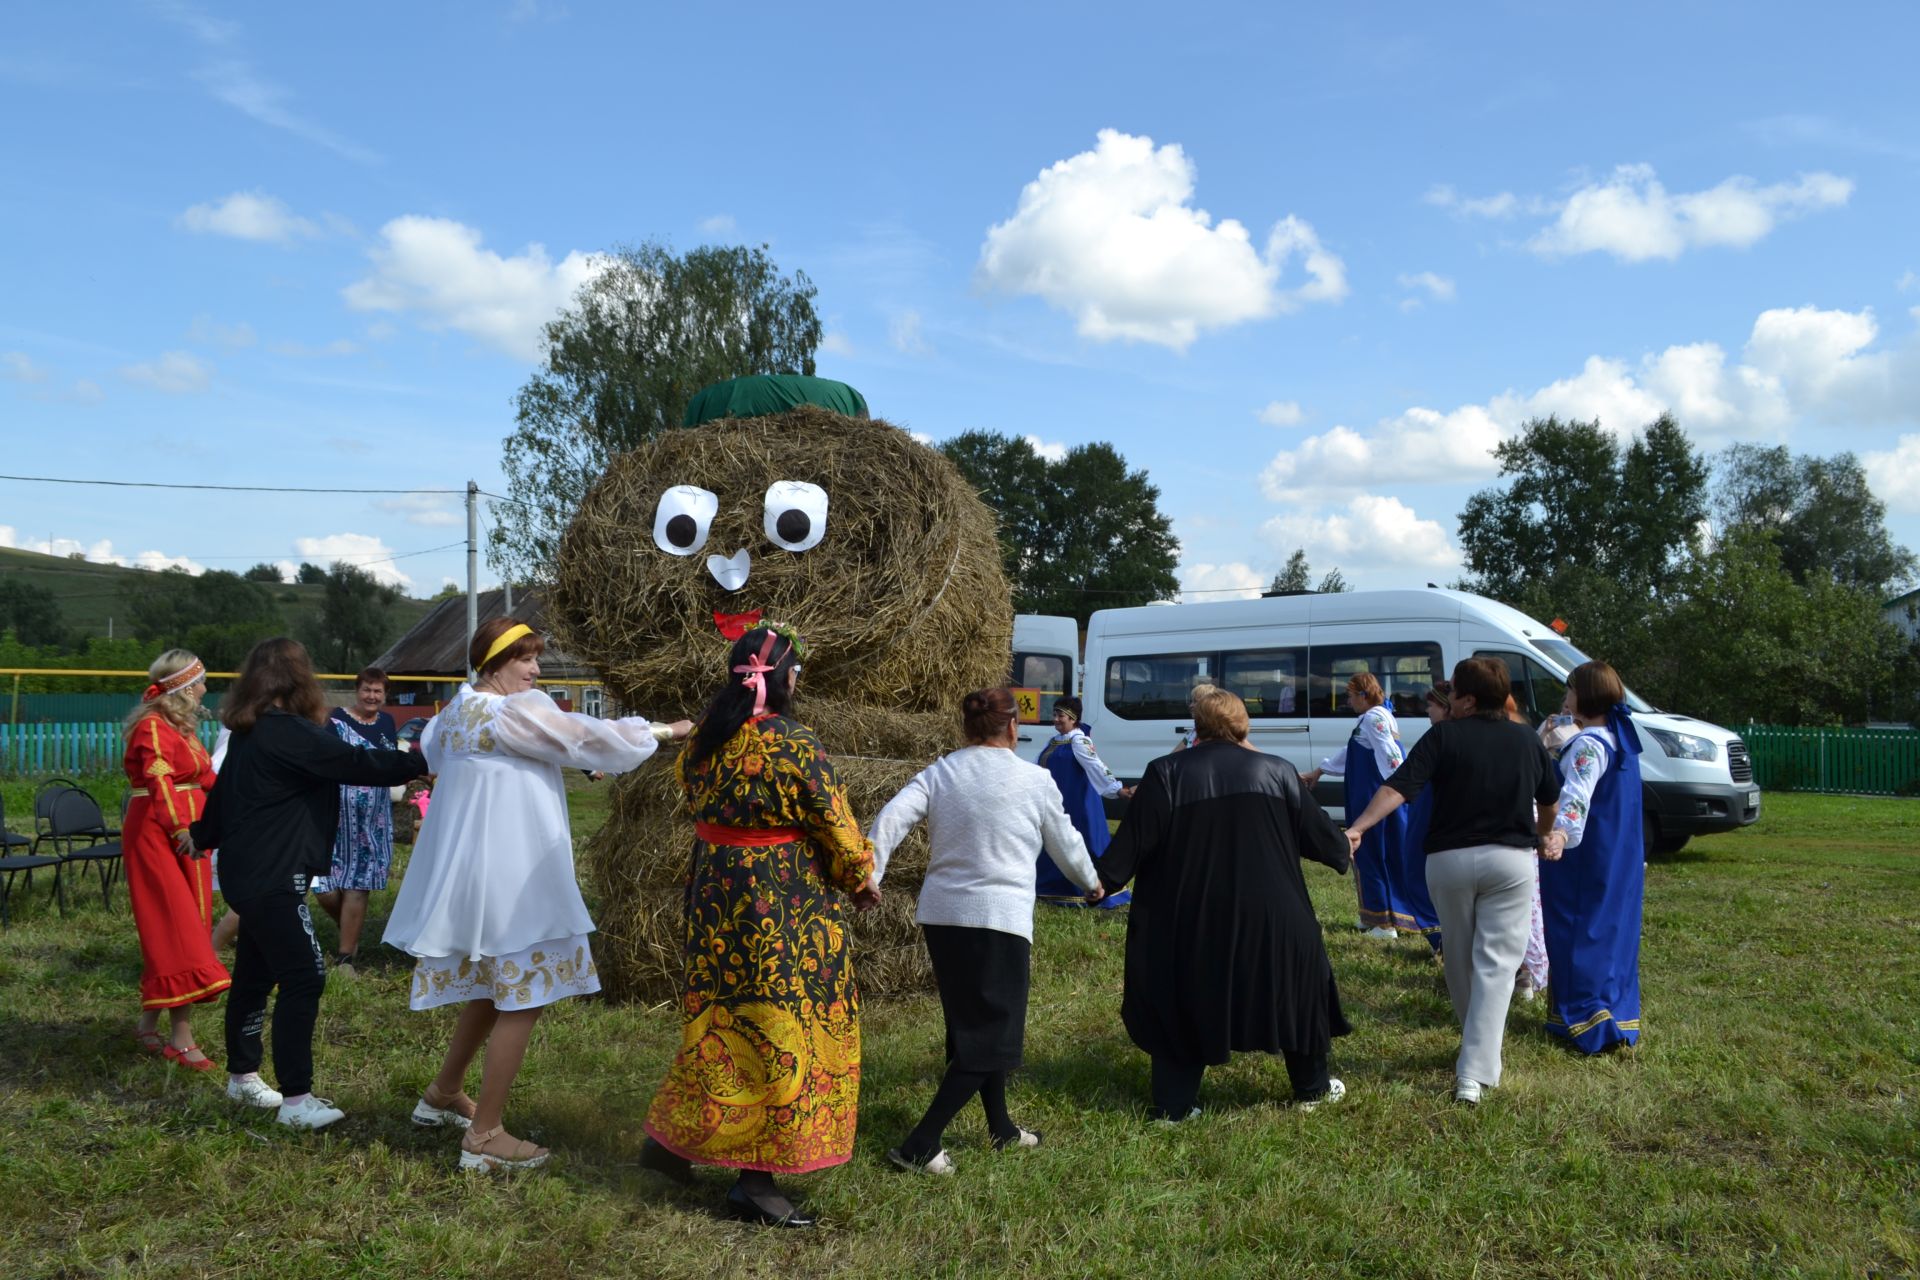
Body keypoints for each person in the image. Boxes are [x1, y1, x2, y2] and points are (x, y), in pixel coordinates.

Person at [383, 618, 688, 1171]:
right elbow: (585, 738)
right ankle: (484, 1135)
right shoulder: (510, 713)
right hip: (513, 876)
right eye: (527, 659)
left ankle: (443, 1094)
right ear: (497, 660)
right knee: (524, 997)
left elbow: (442, 763)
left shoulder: (451, 715)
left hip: (476, 874)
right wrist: (663, 731)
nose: (537, 669)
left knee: (488, 988)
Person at [640, 625, 878, 1228]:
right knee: (778, 1023)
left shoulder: (704, 740)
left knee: (716, 1015)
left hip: (716, 892)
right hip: (781, 905)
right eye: (796, 672)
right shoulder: (796, 745)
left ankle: (668, 1146)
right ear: (785, 677)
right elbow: (833, 818)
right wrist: (860, 875)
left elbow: (691, 795)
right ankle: (754, 1181)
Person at [189, 638, 427, 1129]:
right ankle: (297, 1102)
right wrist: (419, 762)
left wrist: (200, 837)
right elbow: (357, 764)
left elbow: (221, 803)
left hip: (246, 873)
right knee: (305, 974)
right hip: (273, 878)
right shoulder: (290, 732)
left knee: (256, 973)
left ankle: (242, 1077)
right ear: (302, 680)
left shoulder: (253, 732)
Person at [867, 688, 1104, 1174]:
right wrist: (1092, 882)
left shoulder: (941, 771)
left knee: (969, 1026)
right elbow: (1065, 841)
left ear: (967, 728)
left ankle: (1001, 1129)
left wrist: (869, 874)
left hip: (942, 916)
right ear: (1014, 726)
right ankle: (920, 1144)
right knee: (993, 1035)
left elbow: (890, 819)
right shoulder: (1033, 779)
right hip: (999, 918)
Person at [1098, 687, 1352, 1120]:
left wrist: (1101, 881)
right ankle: (1311, 1089)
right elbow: (1326, 843)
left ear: (1196, 726)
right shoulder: (1278, 770)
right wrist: (1343, 845)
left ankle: (1174, 1107)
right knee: (1296, 985)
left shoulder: (1165, 772)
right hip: (1276, 916)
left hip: (1189, 918)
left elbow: (1130, 849)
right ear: (1243, 725)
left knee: (1182, 991)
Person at [1343, 658, 1561, 1106]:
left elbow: (1398, 786)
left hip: (1448, 861)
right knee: (1498, 964)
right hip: (1510, 862)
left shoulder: (1444, 735)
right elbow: (1551, 798)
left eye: (1454, 692)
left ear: (1466, 698)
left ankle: (1472, 1059)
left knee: (1459, 958)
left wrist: (1359, 826)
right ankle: (1474, 1068)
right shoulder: (1525, 738)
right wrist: (1543, 835)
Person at [121, 649, 230, 1071]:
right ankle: (180, 1037)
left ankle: (149, 1023)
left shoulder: (180, 727)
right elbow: (159, 782)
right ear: (185, 686)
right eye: (201, 681)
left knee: (187, 922)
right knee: (175, 926)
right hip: (160, 833)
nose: (205, 688)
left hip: (188, 831)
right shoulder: (152, 727)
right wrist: (180, 830)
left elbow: (206, 777)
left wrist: (238, 803)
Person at [1539, 661, 1646, 1054]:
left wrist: (1561, 834)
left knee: (1581, 928)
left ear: (1584, 695)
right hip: (1620, 854)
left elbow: (1577, 797)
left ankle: (1586, 1017)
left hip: (1587, 854)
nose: (1565, 698)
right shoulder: (1620, 739)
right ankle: (1614, 1011)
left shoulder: (1588, 743)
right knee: (1612, 928)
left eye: (1569, 690)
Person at [1301, 672, 1418, 939]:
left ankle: (1384, 922)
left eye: (1351, 696)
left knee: (1372, 852)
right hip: (1368, 793)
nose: (1349, 701)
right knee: (1373, 853)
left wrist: (1398, 791)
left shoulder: (1374, 717)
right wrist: (1321, 770)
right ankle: (1373, 914)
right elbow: (1351, 751)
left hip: (1372, 796)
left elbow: (1391, 755)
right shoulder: (1373, 717)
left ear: (1363, 696)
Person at [313, 667, 398, 976]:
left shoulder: (387, 722)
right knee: (324, 887)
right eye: (367, 690)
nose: (372, 696)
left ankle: (346, 956)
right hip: (336, 815)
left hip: (372, 818)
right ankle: (349, 927)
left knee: (358, 886)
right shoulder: (334, 721)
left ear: (385, 695)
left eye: (378, 691)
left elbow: (391, 761)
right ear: (357, 690)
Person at [1034, 695, 1133, 908]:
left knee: (1081, 843)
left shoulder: (1079, 740)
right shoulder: (1054, 741)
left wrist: (1117, 789)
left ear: (1073, 718)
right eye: (1055, 714)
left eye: (1061, 715)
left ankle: (1090, 889)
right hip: (1059, 801)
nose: (1056, 719)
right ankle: (1054, 887)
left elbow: (1096, 767)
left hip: (1078, 804)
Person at [1396, 683, 1452, 957]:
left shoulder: (1440, 737)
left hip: (1432, 815)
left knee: (1419, 873)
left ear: (1445, 707)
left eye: (1431, 705)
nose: (1427, 711)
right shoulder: (1438, 735)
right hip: (1426, 809)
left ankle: (1443, 939)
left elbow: (1400, 779)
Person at [1503, 695, 1551, 1002]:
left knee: (1520, 907)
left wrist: (1544, 834)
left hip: (1517, 829)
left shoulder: (1512, 736)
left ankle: (1526, 973)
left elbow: (1548, 797)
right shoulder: (1524, 733)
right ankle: (1524, 973)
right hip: (1522, 828)